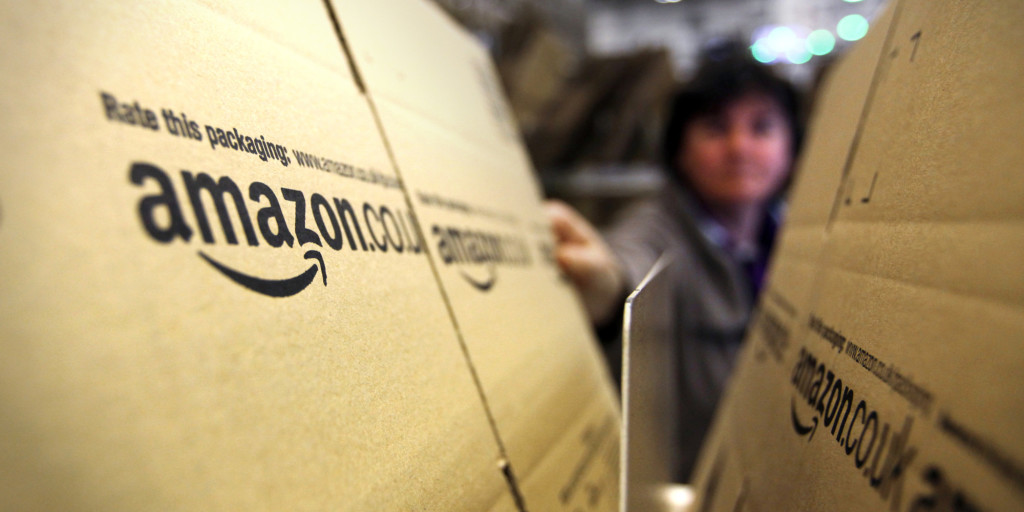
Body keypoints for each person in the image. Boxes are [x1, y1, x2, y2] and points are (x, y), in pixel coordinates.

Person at [545, 47, 803, 481]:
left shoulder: (799, 236)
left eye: (761, 128)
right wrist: (606, 283)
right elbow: (629, 263)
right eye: (715, 128)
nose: (739, 147)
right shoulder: (658, 229)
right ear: (679, 149)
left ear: (791, 146)